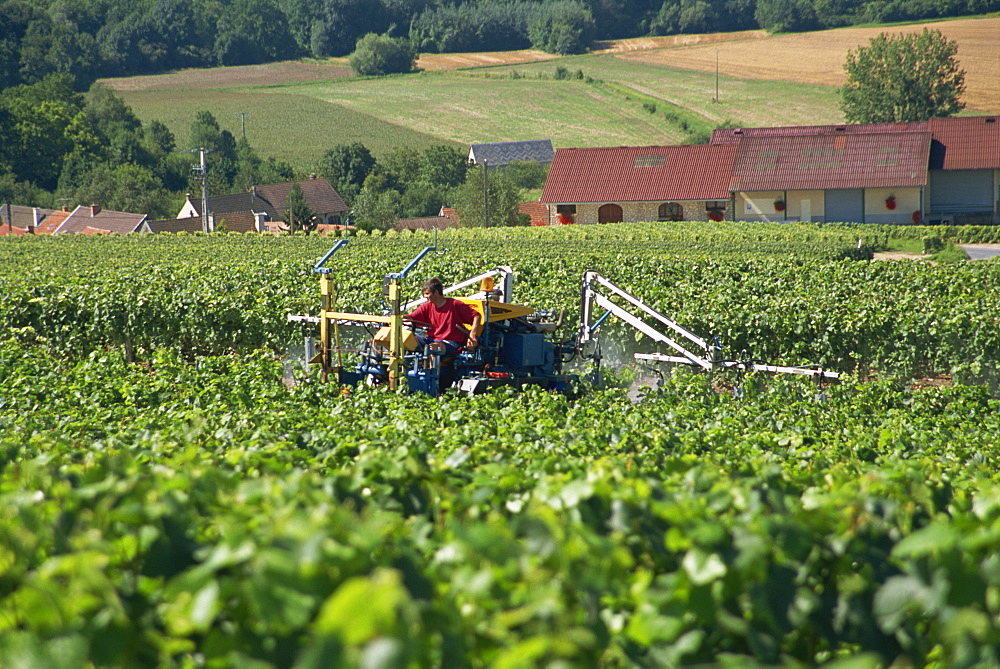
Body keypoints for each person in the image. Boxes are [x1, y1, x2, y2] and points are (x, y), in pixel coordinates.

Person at [405, 277, 482, 355]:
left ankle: (432, 367)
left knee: (433, 348)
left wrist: (473, 334)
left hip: (451, 342)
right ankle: (404, 366)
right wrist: (397, 318)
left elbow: (477, 316)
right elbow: (411, 317)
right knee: (407, 340)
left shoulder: (455, 305)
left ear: (436, 292)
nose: (425, 296)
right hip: (431, 340)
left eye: (427, 294)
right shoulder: (426, 306)